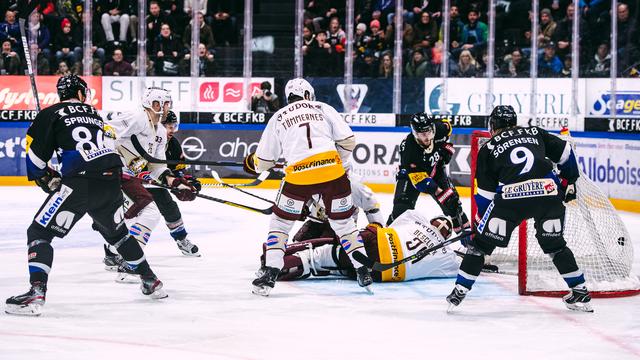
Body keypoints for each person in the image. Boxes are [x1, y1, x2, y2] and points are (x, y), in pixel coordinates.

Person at [5, 75, 167, 316]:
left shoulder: (51, 113)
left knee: (39, 232)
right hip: (111, 181)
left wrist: (44, 176)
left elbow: (36, 156)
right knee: (118, 234)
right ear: (81, 94)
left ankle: (36, 291)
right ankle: (150, 280)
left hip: (79, 184)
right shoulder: (94, 115)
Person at [446, 105, 592, 313]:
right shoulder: (535, 132)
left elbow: (486, 197)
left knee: (480, 247)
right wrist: (569, 181)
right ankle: (579, 290)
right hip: (549, 196)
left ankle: (460, 290)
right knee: (555, 246)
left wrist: (480, 225)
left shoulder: (488, 147)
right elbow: (567, 152)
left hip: (511, 203)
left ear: (493, 125)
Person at [243, 78, 373, 296]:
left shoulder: (279, 116)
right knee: (344, 225)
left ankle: (271, 272)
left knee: (281, 223)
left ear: (288, 98)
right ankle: (362, 270)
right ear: (309, 95)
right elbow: (349, 141)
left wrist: (251, 163)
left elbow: (263, 162)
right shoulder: (323, 108)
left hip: (299, 178)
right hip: (333, 173)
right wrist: (333, 162)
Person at [102, 87, 199, 274]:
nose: (163, 108)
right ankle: (130, 261)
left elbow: (157, 167)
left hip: (127, 177)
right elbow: (105, 129)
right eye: (158, 103)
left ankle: (114, 251)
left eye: (166, 104)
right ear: (148, 104)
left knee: (129, 216)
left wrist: (176, 183)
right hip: (112, 174)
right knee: (148, 211)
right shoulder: (137, 117)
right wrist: (110, 159)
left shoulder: (161, 133)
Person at [274, 211, 459, 283]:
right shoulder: (447, 255)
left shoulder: (417, 218)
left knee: (327, 253)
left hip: (375, 241)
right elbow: (466, 264)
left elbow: (391, 226)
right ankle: (330, 264)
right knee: (340, 264)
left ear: (431, 221)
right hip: (383, 272)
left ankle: (281, 261)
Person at [388, 112, 470, 235]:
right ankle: (385, 236)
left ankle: (467, 238)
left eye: (428, 132)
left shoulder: (440, 128)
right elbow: (420, 182)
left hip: (435, 170)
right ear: (415, 133)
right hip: (411, 176)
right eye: (422, 134)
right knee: (401, 210)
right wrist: (442, 194)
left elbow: (448, 128)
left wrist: (447, 148)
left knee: (454, 205)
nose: (426, 137)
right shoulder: (409, 149)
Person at [145, 110, 202, 257]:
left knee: (170, 209)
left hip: (157, 182)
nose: (172, 130)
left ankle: (182, 240)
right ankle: (115, 251)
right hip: (136, 181)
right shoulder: (147, 139)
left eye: (174, 126)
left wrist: (189, 182)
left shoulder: (174, 144)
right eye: (168, 126)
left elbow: (178, 170)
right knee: (133, 216)